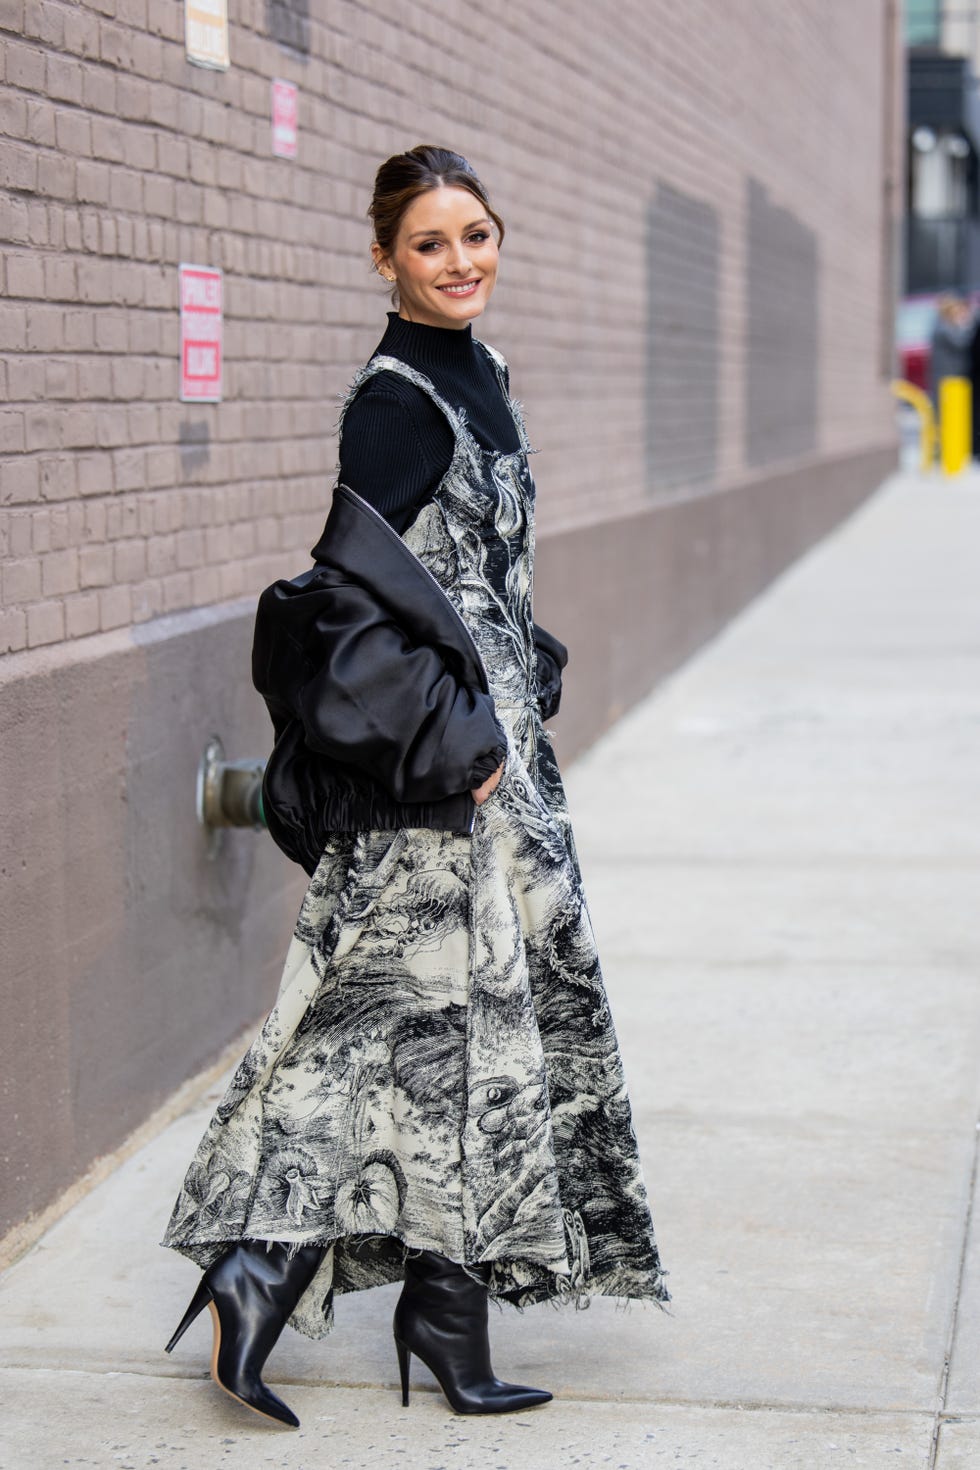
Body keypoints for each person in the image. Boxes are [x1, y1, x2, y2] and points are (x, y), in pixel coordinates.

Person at [162, 145, 669, 1429]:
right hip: (440, 777)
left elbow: (465, 566)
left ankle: (443, 1320)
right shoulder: (392, 401)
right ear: (383, 256)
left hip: (500, 765)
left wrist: (519, 661)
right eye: (432, 244)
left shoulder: (484, 372)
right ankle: (259, 1271)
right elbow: (339, 599)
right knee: (379, 1033)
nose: (462, 264)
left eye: (479, 236)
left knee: (478, 1050)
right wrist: (459, 734)